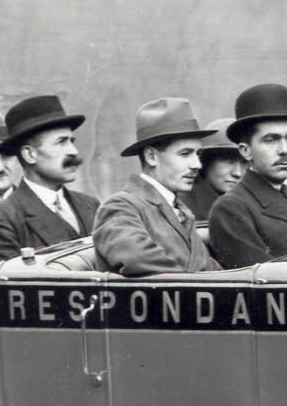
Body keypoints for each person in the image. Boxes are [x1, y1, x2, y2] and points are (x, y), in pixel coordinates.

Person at [207, 82, 287, 268]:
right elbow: (264, 283)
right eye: (270, 140)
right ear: (246, 151)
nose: (284, 150)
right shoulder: (231, 209)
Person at [92, 98, 218, 277]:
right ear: (151, 156)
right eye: (185, 154)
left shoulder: (181, 210)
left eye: (198, 154)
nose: (197, 164)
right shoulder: (121, 207)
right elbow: (138, 260)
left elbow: (211, 271)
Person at [0, 94, 102, 264]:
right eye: (61, 142)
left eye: (72, 141)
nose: (73, 151)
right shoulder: (2, 220)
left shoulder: (91, 205)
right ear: (30, 154)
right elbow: (9, 287)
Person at [186, 136, 244, 224]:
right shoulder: (183, 205)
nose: (238, 173)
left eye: (244, 162)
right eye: (229, 161)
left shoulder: (249, 202)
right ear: (205, 162)